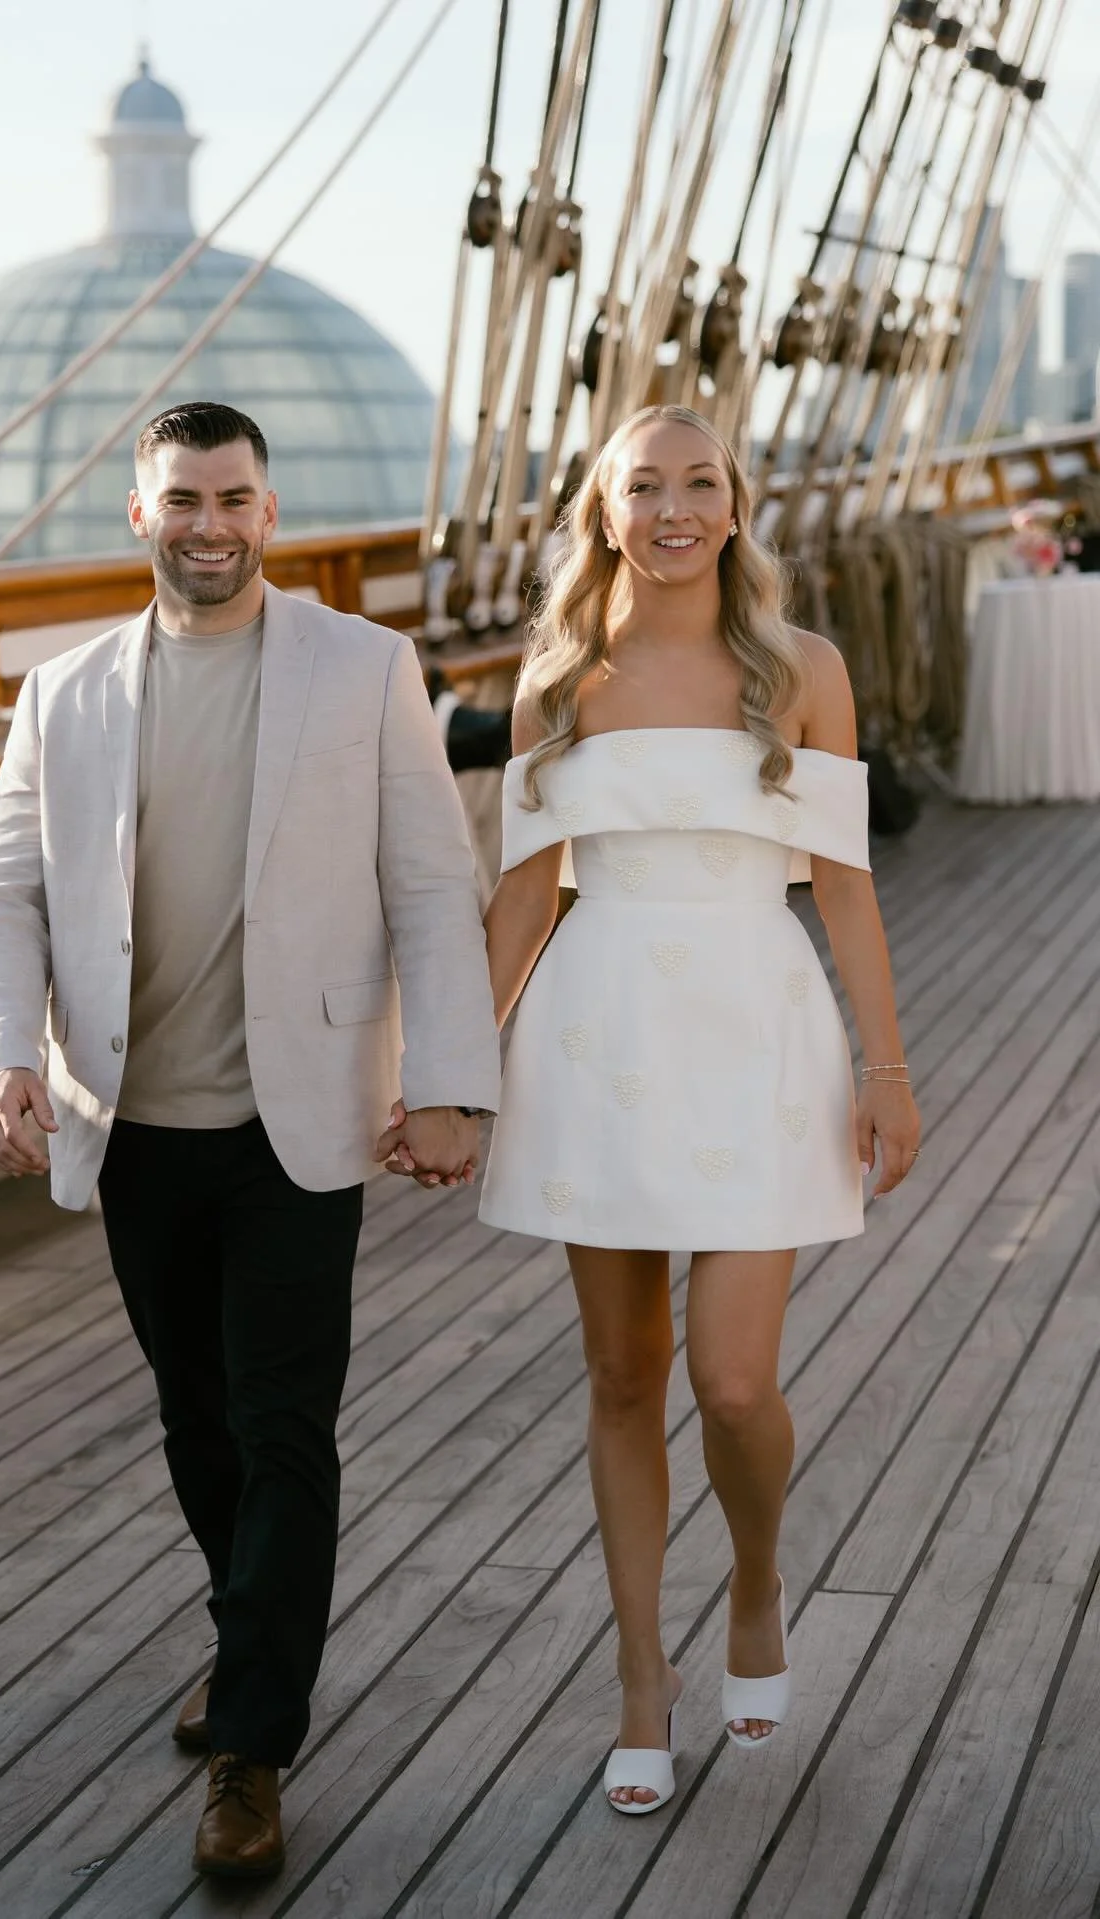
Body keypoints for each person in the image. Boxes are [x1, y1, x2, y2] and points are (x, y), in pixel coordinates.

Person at [0, 401, 499, 1879]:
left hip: (300, 1119)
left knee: (280, 1425)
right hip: (132, 1122)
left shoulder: (364, 668)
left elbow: (435, 890)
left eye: (234, 498)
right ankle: (251, 1629)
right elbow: (0, 893)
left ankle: (254, 1745)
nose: (209, 523)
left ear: (274, 513)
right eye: (181, 498)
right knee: (197, 1422)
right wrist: (7, 1051)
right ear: (139, 513)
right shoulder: (62, 692)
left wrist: (454, 1081)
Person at [475, 404, 921, 1813]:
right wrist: (449, 1078)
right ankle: (640, 1684)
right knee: (621, 1377)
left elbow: (843, 881)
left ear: (735, 506)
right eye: (642, 485)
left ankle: (758, 1575)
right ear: (603, 513)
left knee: (733, 1382)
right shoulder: (554, 678)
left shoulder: (801, 669)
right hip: (593, 1035)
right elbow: (524, 894)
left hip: (757, 1033)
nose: (674, 507)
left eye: (700, 482)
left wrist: (886, 1067)